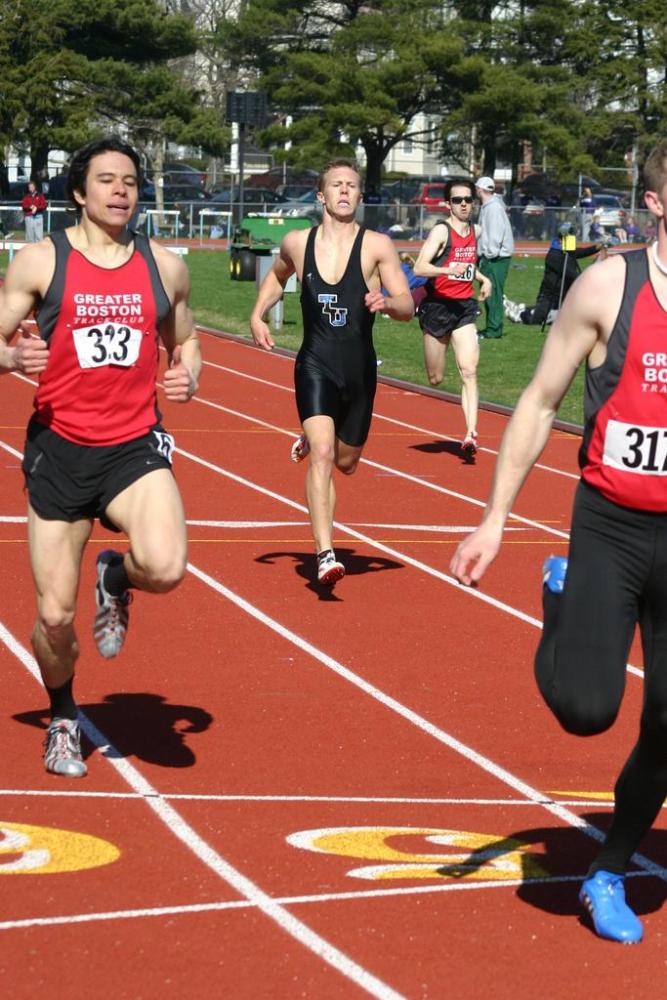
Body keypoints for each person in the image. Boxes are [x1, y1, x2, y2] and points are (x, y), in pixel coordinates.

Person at [450, 139, 667, 945]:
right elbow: (540, 401)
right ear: (654, 202)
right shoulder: (609, 285)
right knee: (584, 711)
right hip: (610, 524)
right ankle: (559, 598)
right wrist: (494, 518)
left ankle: (606, 869)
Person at [0, 136, 200, 779]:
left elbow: (186, 343)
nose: (121, 191)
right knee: (55, 618)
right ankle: (63, 715)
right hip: (60, 454)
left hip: (133, 447)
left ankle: (116, 576)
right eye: (106, 180)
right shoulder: (39, 262)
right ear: (79, 193)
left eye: (131, 181)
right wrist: (11, 357)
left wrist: (187, 376)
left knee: (166, 567)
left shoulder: (164, 267)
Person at [250, 159, 413, 586]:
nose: (344, 191)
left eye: (352, 186)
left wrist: (387, 303)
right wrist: (257, 314)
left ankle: (316, 432)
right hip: (315, 364)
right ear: (321, 196)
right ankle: (325, 553)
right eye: (336, 185)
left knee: (346, 462)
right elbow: (277, 275)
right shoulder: (298, 242)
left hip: (359, 370)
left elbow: (407, 307)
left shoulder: (377, 246)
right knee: (323, 455)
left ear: (360, 196)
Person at [412, 178, 492, 454]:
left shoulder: (476, 231)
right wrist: (448, 271)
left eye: (468, 199)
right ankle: (436, 361)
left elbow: (467, 264)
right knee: (436, 378)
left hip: (463, 308)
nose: (464, 205)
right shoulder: (440, 232)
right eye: (458, 200)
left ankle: (471, 434)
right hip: (436, 308)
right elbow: (420, 268)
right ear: (448, 204)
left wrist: (483, 279)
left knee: (469, 371)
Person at [503, 224, 606, 326]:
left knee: (564, 318)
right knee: (538, 320)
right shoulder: (554, 255)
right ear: (563, 239)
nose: (573, 240)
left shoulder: (568, 250)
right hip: (549, 296)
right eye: (571, 237)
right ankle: (519, 314)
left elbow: (583, 251)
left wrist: (601, 246)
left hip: (564, 295)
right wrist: (590, 276)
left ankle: (525, 308)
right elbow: (571, 273)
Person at [475, 176, 514, 339]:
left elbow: (495, 235)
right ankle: (492, 327)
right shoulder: (489, 206)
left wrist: (488, 255)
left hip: (495, 258)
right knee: (489, 293)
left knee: (493, 293)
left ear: (481, 189)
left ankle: (494, 329)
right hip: (492, 257)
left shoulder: (493, 208)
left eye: (477, 187)